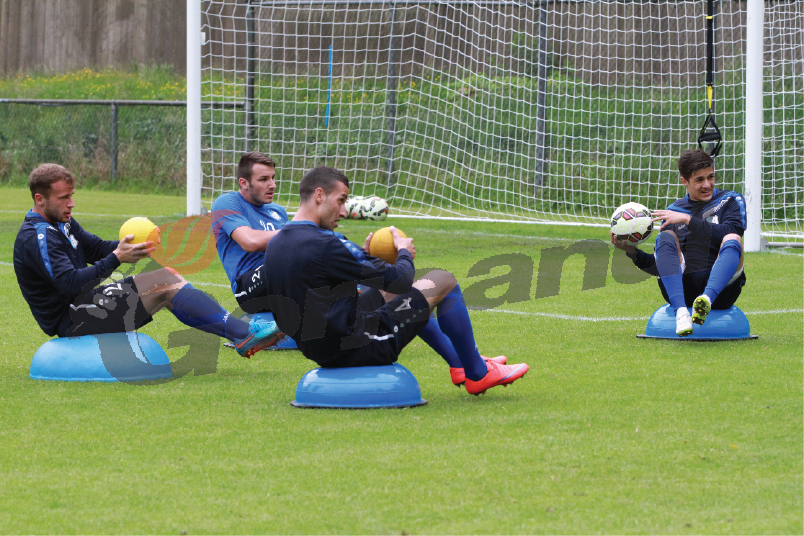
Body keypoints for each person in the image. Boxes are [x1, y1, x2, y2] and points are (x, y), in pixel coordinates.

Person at [263, 166, 529, 395]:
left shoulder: (276, 244)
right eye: (341, 201)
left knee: (394, 293)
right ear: (319, 195)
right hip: (358, 347)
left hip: (319, 348)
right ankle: (478, 373)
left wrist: (363, 256)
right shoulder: (328, 244)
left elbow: (317, 280)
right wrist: (403, 251)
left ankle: (461, 364)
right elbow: (399, 280)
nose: (344, 212)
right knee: (442, 280)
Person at [13, 163, 283, 357]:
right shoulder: (38, 236)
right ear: (40, 199)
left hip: (84, 303)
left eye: (72, 196)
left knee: (167, 277)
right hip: (71, 318)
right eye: (64, 198)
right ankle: (243, 333)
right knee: (165, 283)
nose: (71, 203)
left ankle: (242, 334)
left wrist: (136, 247)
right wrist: (117, 258)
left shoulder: (62, 223)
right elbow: (70, 284)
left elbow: (97, 248)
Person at [611, 149, 747, 337]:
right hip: (683, 289)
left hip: (723, 291)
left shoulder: (730, 200)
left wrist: (688, 220)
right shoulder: (673, 210)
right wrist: (632, 252)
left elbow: (732, 231)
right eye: (699, 180)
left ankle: (705, 301)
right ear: (685, 181)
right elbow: (662, 267)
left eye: (711, 177)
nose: (707, 184)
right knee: (665, 237)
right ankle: (682, 313)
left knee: (733, 238)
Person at [210, 152, 289, 314]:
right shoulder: (227, 203)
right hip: (248, 287)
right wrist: (297, 231)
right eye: (264, 179)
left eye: (273, 178)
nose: (273, 185)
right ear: (244, 183)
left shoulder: (278, 211)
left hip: (281, 276)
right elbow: (250, 242)